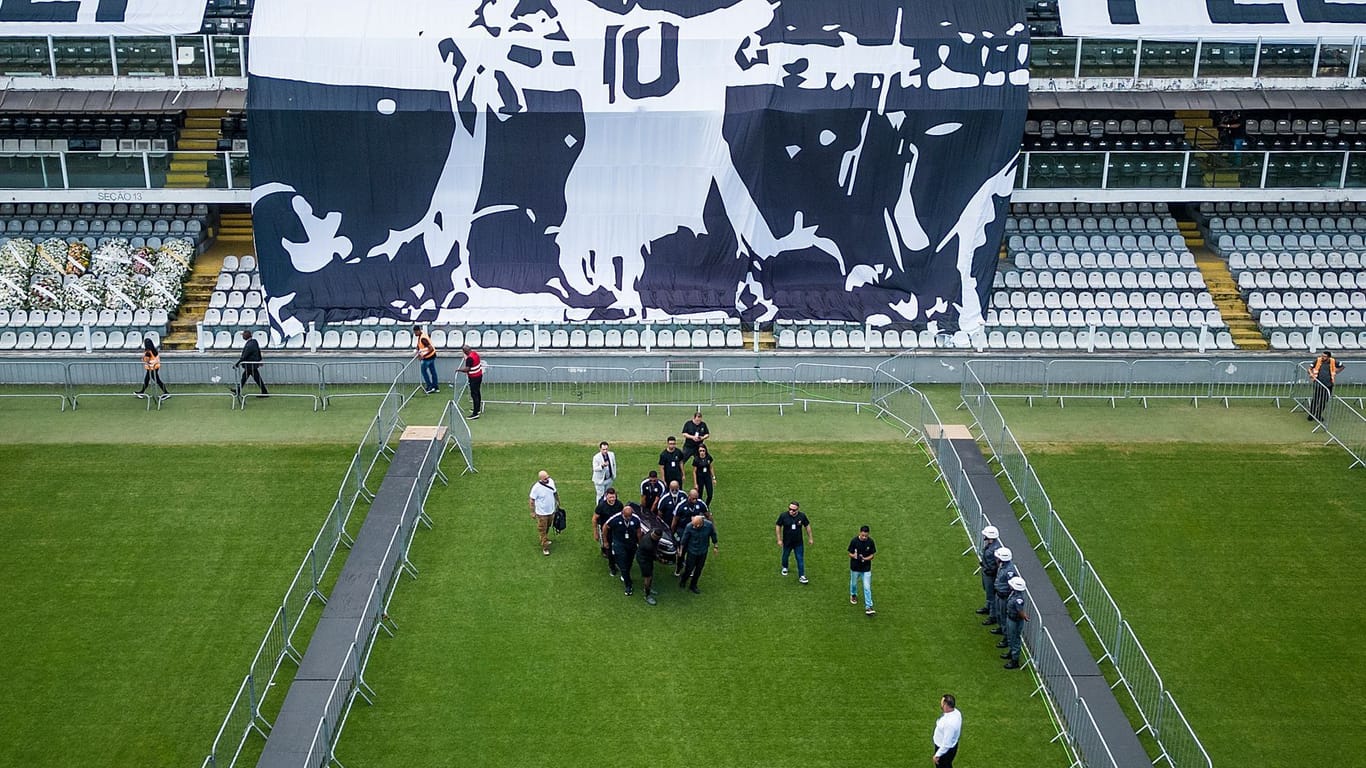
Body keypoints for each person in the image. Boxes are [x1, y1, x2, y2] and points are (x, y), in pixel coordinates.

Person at [603, 502, 643, 596]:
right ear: (622, 513)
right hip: (619, 544)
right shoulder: (615, 519)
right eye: (626, 516)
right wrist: (605, 541)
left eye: (630, 516)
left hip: (631, 544)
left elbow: (638, 531)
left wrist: (640, 543)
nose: (628, 518)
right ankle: (628, 585)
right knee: (623, 565)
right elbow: (605, 527)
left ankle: (625, 575)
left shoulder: (636, 519)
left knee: (629, 562)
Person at [677, 514, 718, 594]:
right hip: (692, 551)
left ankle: (693, 585)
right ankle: (683, 580)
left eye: (695, 526)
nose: (693, 527)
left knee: (699, 569)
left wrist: (715, 545)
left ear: (700, 524)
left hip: (703, 551)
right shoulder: (689, 526)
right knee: (689, 568)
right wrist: (681, 549)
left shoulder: (708, 525)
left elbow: (713, 534)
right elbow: (684, 539)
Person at [774, 501, 813, 583]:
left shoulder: (802, 516)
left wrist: (810, 538)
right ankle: (785, 567)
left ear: (797, 510)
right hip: (787, 542)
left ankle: (801, 575)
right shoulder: (783, 516)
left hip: (798, 542)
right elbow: (778, 526)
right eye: (789, 509)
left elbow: (807, 526)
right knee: (785, 556)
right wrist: (779, 539)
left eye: (793, 510)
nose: (791, 511)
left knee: (800, 559)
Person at [593, 488, 625, 576]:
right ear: (606, 496)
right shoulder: (601, 506)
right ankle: (612, 567)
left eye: (613, 497)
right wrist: (595, 532)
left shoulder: (619, 504)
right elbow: (595, 518)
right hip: (606, 531)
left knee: (619, 547)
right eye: (610, 497)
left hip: (617, 530)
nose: (612, 499)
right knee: (609, 548)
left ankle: (618, 562)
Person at [528, 470, 559, 556]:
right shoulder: (536, 488)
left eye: (548, 477)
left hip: (551, 511)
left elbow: (555, 492)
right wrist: (532, 512)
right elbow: (531, 500)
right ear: (541, 479)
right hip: (541, 514)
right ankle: (545, 547)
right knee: (542, 529)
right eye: (545, 478)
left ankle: (545, 539)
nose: (547, 479)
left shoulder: (551, 482)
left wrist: (558, 501)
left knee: (547, 527)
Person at [1001, 576, 1030, 670]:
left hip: (1015, 620)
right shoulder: (1014, 594)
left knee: (1015, 639)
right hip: (1010, 618)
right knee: (1010, 636)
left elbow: (1020, 611)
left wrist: (1024, 616)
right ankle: (1011, 652)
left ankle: (1015, 660)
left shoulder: (1018, 599)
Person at [1307, 350, 1345, 421]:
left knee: (1323, 401)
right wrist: (1311, 374)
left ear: (1329, 357)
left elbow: (1342, 366)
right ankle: (1311, 414)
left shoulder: (1333, 362)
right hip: (1318, 383)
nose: (1322, 357)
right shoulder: (1318, 360)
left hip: (1328, 384)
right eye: (1322, 356)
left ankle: (1318, 415)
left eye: (1324, 356)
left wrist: (1336, 371)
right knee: (1315, 400)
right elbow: (1309, 368)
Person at [848, 525, 876, 615]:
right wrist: (854, 556)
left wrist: (865, 559)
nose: (864, 537)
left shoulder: (870, 542)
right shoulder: (854, 541)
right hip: (855, 568)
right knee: (854, 583)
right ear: (860, 532)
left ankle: (869, 606)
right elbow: (849, 553)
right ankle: (853, 594)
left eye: (866, 536)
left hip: (866, 569)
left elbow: (872, 555)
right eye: (863, 535)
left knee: (867, 587)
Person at [990, 547, 1018, 637]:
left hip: (1004, 596)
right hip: (999, 593)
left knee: (1003, 615)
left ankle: (1006, 635)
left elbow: (1012, 585)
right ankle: (1001, 628)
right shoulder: (1002, 565)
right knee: (999, 613)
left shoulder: (1009, 570)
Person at [134, 338, 170, 402]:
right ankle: (142, 392)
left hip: (151, 368)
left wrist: (143, 359)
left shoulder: (148, 352)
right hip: (155, 367)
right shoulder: (154, 350)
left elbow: (147, 360)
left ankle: (166, 393)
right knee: (147, 380)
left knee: (156, 380)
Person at [977, 525, 1002, 620]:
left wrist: (991, 570)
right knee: (987, 591)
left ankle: (993, 615)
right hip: (986, 571)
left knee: (991, 594)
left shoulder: (995, 548)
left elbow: (997, 563)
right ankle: (988, 607)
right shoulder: (991, 545)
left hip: (991, 574)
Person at [233, 330, 268, 396]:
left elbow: (244, 357)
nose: (242, 336)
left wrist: (237, 364)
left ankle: (265, 392)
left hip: (250, 365)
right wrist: (259, 360)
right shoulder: (254, 342)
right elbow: (258, 351)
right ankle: (238, 390)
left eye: (243, 335)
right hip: (252, 364)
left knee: (253, 378)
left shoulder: (249, 345)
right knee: (246, 378)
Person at [932, 694, 962, 767]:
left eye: (942, 702)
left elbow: (946, 744)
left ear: (946, 705)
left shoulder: (949, 724)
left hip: (944, 751)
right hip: (950, 746)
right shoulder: (956, 712)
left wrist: (937, 755)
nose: (941, 704)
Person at [457, 342, 483, 418]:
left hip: (474, 377)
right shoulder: (475, 354)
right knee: (477, 392)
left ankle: (475, 414)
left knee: (474, 394)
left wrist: (459, 370)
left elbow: (467, 369)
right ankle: (477, 409)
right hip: (479, 375)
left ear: (465, 351)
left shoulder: (469, 358)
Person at [637, 528, 663, 605]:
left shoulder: (652, 531)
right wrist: (661, 560)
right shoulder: (648, 545)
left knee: (650, 574)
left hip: (648, 558)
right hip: (644, 560)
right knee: (648, 577)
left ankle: (647, 589)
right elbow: (654, 556)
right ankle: (647, 595)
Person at [414, 324, 439, 394]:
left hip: (428, 357)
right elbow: (420, 344)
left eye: (415, 332)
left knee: (424, 372)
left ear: (418, 331)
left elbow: (431, 348)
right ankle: (435, 387)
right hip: (432, 356)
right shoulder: (421, 335)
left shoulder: (423, 338)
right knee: (433, 371)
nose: (415, 334)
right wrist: (417, 349)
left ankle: (430, 386)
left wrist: (423, 356)